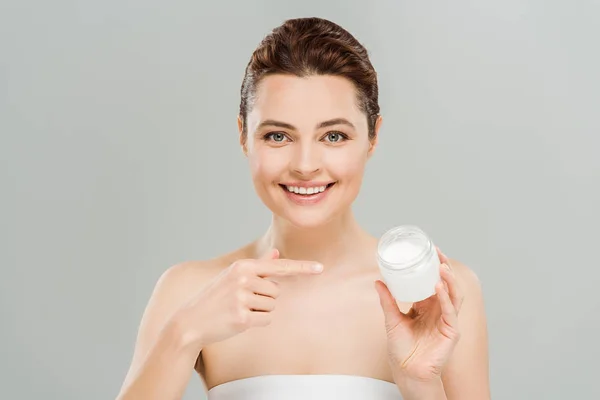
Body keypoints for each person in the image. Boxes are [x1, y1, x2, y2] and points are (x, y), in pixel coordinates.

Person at [115, 17, 490, 400]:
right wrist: (184, 334)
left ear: (372, 137)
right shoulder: (192, 292)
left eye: (334, 136)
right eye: (278, 135)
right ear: (244, 135)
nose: (306, 164)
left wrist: (419, 384)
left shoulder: (439, 294)